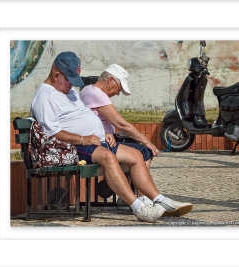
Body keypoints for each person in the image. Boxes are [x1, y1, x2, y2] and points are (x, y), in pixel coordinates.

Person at [30, 51, 192, 223]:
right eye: (69, 80)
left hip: (96, 141)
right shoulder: (45, 97)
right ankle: (138, 207)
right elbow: (52, 133)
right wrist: (83, 139)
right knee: (108, 157)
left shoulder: (68, 92)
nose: (72, 85)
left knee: (136, 155)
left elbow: (83, 116)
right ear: (57, 75)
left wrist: (103, 133)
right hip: (74, 146)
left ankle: (159, 200)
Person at [79, 64, 158, 200]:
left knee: (142, 151)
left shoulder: (92, 92)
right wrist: (147, 142)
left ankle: (133, 195)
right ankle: (140, 198)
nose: (118, 93)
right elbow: (121, 124)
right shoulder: (94, 93)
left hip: (105, 138)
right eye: (119, 88)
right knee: (144, 151)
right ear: (110, 81)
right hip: (98, 143)